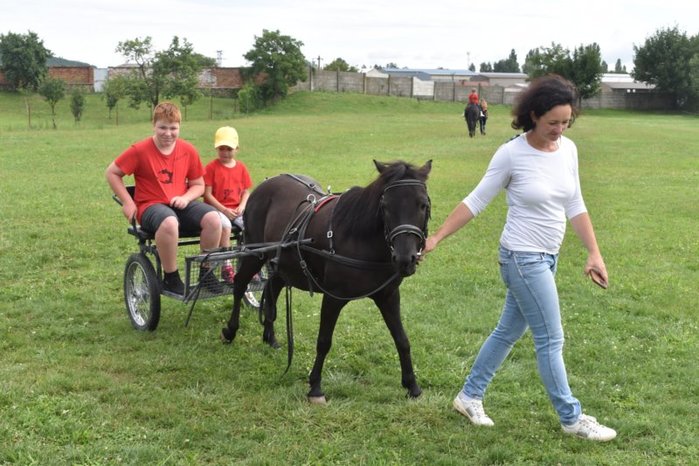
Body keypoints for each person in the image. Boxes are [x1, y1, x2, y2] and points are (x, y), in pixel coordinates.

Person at [424, 75, 617, 442]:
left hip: (548, 257)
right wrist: (436, 237)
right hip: (521, 258)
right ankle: (572, 418)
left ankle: (469, 396)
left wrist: (594, 253)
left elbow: (575, 204)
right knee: (550, 338)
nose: (559, 130)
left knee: (508, 332)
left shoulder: (568, 150)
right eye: (552, 122)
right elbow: (476, 200)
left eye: (566, 122)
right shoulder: (511, 154)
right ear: (533, 115)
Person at [106, 101, 223, 295]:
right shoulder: (139, 150)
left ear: (179, 127)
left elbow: (198, 184)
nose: (168, 133)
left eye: (173, 128)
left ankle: (206, 272)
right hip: (150, 206)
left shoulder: (188, 150)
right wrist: (127, 202)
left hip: (180, 204)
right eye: (162, 128)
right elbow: (112, 172)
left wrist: (186, 198)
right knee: (169, 222)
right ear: (154, 125)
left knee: (214, 219)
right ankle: (171, 277)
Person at [203, 126, 253, 283]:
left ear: (237, 148)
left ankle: (249, 264)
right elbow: (207, 194)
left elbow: (246, 191)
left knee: (250, 226)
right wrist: (224, 210)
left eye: (229, 149)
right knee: (225, 226)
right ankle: (227, 265)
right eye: (221, 149)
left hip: (236, 209)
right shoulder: (211, 168)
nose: (225, 152)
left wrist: (242, 206)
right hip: (216, 209)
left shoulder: (241, 168)